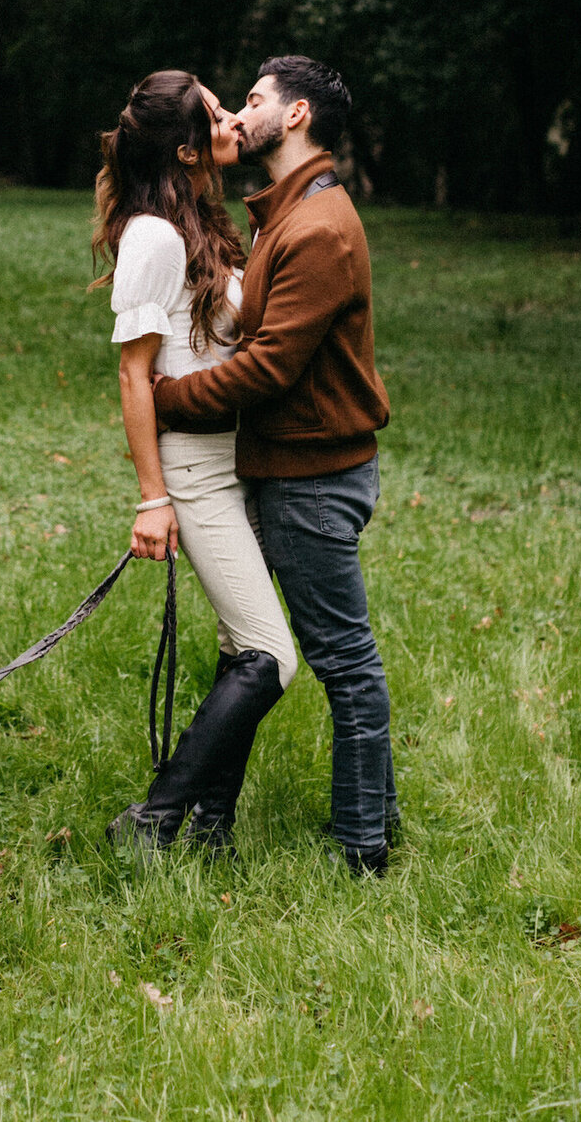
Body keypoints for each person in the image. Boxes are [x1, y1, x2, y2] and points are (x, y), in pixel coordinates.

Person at [152, 55, 396, 875]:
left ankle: (363, 846)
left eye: (253, 101)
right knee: (267, 651)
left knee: (342, 663)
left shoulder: (318, 228)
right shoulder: (287, 214)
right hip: (294, 466)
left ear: (295, 117)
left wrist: (165, 401)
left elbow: (267, 368)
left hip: (313, 478)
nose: (238, 114)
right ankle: (213, 825)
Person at [92, 69, 298, 856]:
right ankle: (151, 821)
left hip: (233, 462)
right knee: (272, 657)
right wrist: (153, 497)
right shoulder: (155, 236)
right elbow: (131, 373)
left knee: (236, 649)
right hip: (194, 473)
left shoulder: (205, 223)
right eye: (216, 114)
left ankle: (213, 824)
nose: (231, 121)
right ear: (185, 149)